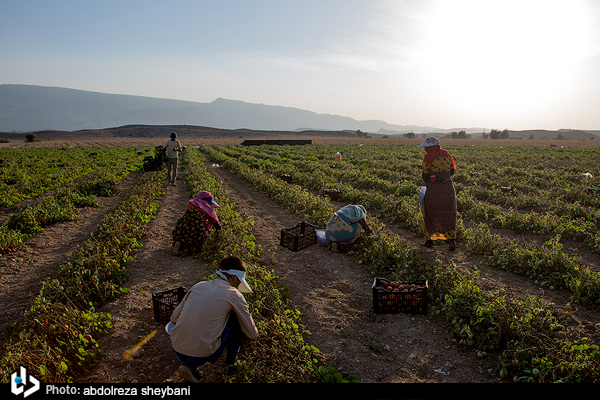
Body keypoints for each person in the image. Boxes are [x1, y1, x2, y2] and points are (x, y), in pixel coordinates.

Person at [166, 255, 259, 382]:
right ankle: (230, 367)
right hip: (204, 355)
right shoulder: (234, 295)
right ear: (234, 277)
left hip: (177, 349)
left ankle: (189, 365)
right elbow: (252, 334)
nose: (238, 286)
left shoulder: (198, 286)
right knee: (235, 318)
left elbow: (174, 318)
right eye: (239, 282)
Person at [418, 136, 457, 251]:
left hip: (434, 189)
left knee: (431, 212)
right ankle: (452, 240)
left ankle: (430, 240)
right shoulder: (446, 155)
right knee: (449, 211)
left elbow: (425, 176)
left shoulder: (428, 158)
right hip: (448, 188)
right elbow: (452, 171)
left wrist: (432, 178)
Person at [172, 191, 223, 256]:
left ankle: (178, 243)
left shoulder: (191, 203)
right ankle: (187, 250)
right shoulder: (207, 208)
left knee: (181, 234)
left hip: (182, 227)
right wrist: (220, 229)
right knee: (198, 240)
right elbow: (215, 223)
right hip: (196, 230)